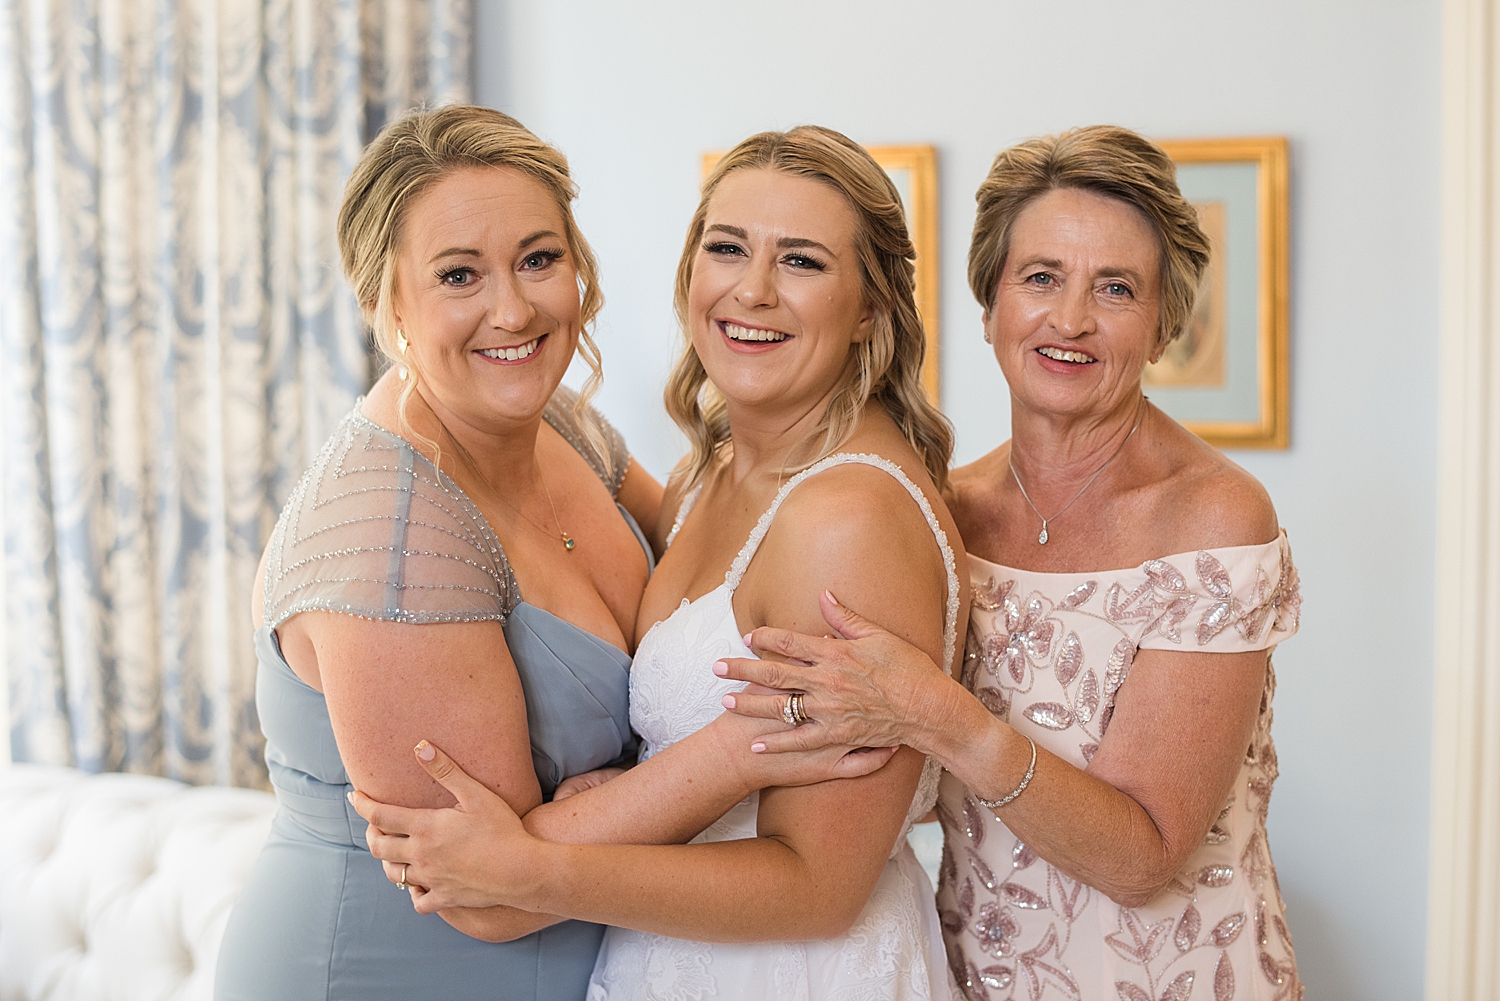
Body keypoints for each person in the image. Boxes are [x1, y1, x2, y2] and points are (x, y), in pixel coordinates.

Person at [214, 106, 882, 1001]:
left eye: (539, 258)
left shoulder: (556, 421)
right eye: (459, 274)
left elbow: (711, 545)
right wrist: (750, 741)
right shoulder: (391, 535)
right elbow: (484, 889)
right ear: (388, 304)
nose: (514, 308)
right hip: (389, 972)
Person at [351, 125, 968, 1000]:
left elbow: (819, 887)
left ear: (870, 306)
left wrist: (531, 870)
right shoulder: (703, 473)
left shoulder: (849, 517)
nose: (752, 291)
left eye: (801, 262)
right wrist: (635, 783)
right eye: (727, 248)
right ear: (690, 275)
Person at [715, 126, 1305, 1001]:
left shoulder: (1213, 516)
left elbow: (1141, 857)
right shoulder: (945, 508)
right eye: (1040, 278)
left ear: (1164, 321)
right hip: (975, 976)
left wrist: (933, 710)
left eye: (1116, 287)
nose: (1070, 319)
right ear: (989, 305)